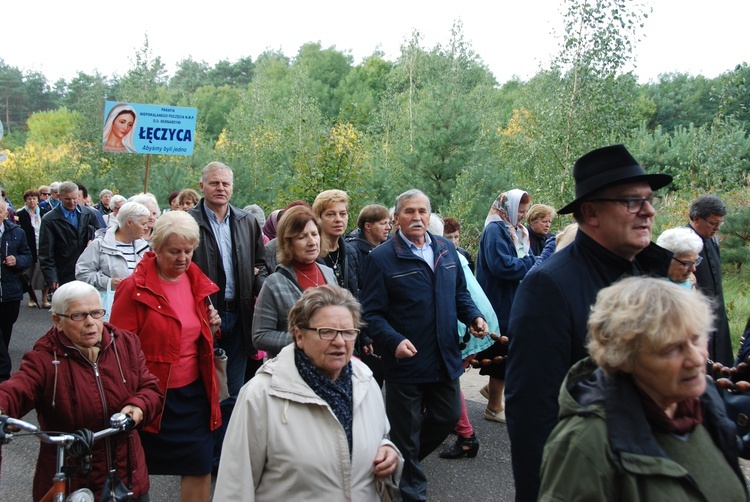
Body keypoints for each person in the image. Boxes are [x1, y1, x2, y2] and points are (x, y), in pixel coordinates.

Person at [505, 144, 673, 501]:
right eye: (633, 201)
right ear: (591, 213)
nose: (649, 211)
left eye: (649, 199)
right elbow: (533, 412)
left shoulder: (650, 274)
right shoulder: (548, 286)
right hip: (593, 478)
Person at [538, 277, 747, 501]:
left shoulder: (703, 402)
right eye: (672, 348)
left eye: (696, 339)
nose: (696, 359)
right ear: (625, 358)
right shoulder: (586, 444)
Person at [216, 285, 402, 501]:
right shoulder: (261, 395)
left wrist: (387, 451)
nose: (340, 342)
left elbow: (379, 436)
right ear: (299, 336)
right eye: (327, 332)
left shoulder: (365, 381)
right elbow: (234, 485)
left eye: (348, 332)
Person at [360, 189, 488, 502]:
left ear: (429, 216)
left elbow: (460, 294)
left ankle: (402, 462)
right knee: (405, 430)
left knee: (445, 418)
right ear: (396, 218)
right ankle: (412, 492)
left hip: (445, 355)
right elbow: (371, 313)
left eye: (422, 212)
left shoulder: (445, 249)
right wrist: (394, 340)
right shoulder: (381, 258)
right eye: (409, 212)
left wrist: (473, 316)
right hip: (406, 360)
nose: (417, 217)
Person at [0, 280, 163, 501]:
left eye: (96, 313)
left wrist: (138, 406)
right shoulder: (44, 359)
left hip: (126, 478)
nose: (91, 323)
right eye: (78, 316)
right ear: (57, 320)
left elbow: (150, 387)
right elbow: (16, 389)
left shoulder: (125, 343)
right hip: (69, 481)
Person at [110, 211, 222, 502]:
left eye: (188, 250)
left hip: (194, 394)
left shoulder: (197, 283)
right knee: (134, 471)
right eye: (174, 251)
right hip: (150, 397)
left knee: (199, 465)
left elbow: (194, 336)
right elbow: (117, 349)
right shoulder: (133, 289)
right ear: (156, 248)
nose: (183, 258)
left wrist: (212, 327)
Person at [188, 161, 268, 471]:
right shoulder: (187, 221)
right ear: (202, 186)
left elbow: (261, 264)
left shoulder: (247, 222)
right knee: (200, 387)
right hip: (204, 318)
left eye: (226, 184)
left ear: (232, 188)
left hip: (241, 315)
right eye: (214, 183)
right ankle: (199, 452)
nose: (220, 188)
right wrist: (201, 308)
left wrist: (263, 283)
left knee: (232, 390)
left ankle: (222, 458)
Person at [475, 189, 535, 424]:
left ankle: (493, 392)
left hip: (513, 298)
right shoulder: (495, 230)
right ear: (506, 209)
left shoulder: (515, 231)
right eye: (519, 211)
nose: (522, 216)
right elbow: (502, 266)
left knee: (509, 352)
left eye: (524, 212)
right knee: (504, 352)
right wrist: (534, 262)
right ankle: (494, 406)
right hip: (499, 300)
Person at [252, 206, 337, 358]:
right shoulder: (275, 283)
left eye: (314, 234)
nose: (311, 242)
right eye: (302, 237)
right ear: (288, 242)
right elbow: (260, 336)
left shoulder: (328, 274)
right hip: (291, 371)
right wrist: (305, 340)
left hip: (329, 367)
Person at [75, 202, 151, 317]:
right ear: (129, 223)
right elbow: (82, 273)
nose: (147, 227)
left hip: (137, 307)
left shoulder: (144, 247)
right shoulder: (100, 244)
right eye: (143, 223)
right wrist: (108, 283)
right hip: (108, 308)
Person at [687, 195, 733, 366]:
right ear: (696, 218)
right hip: (696, 316)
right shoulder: (683, 241)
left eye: (720, 223)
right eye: (713, 224)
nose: (717, 228)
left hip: (717, 312)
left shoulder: (713, 240)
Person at [39, 181, 103, 292]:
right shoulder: (49, 219)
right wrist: (51, 277)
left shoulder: (88, 213)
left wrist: (93, 239)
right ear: (59, 197)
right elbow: (46, 252)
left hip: (87, 269)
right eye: (67, 199)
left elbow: (101, 233)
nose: (72, 202)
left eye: (75, 198)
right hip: (64, 270)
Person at [0, 199, 33, 381]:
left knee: (5, 333)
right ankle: (3, 376)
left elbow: (28, 257)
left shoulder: (16, 233)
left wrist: (17, 261)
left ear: (6, 214)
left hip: (9, 292)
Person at [312, 189, 360, 297]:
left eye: (343, 214)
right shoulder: (312, 253)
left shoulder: (351, 252)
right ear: (318, 218)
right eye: (330, 214)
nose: (338, 219)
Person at [16, 189, 51, 307]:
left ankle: (44, 299)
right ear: (26, 201)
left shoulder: (45, 212)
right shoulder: (20, 214)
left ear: (38, 200)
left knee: (44, 273)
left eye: (34, 198)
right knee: (30, 273)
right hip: (29, 246)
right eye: (29, 198)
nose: (32, 201)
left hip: (43, 246)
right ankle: (32, 298)